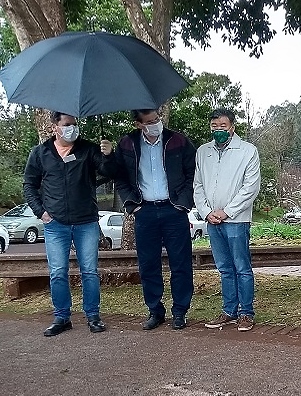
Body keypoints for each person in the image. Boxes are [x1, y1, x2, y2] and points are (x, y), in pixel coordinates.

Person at [23, 112, 118, 336]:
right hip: (55, 223)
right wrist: (41, 212)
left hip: (86, 221)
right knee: (57, 272)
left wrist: (109, 155)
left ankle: (93, 316)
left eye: (75, 124)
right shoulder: (40, 153)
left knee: (90, 272)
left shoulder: (88, 149)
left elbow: (110, 173)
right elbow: (29, 185)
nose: (72, 128)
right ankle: (62, 317)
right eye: (67, 125)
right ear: (55, 126)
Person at [114, 108, 197, 331]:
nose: (155, 124)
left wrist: (183, 202)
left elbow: (192, 173)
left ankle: (180, 311)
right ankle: (155, 310)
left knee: (181, 264)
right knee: (148, 265)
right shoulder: (127, 144)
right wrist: (133, 205)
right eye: (149, 121)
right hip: (145, 212)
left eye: (157, 119)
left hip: (174, 210)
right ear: (138, 124)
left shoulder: (178, 140)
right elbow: (119, 177)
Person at [194, 108, 262, 332]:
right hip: (212, 220)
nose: (218, 130)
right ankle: (228, 310)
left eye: (222, 126)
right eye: (214, 127)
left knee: (242, 267)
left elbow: (250, 187)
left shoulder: (247, 151)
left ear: (232, 126)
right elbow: (198, 186)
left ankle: (246, 313)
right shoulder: (203, 152)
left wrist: (228, 211)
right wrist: (206, 211)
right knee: (224, 268)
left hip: (237, 220)